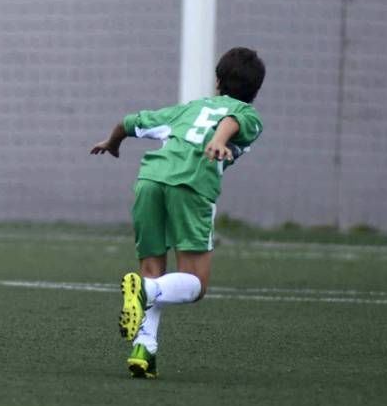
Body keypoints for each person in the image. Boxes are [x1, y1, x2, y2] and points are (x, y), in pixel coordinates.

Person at [91, 47, 265, 378]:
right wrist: (217, 139)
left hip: (150, 181)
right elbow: (232, 119)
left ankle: (144, 349)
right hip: (191, 185)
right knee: (195, 283)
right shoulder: (250, 116)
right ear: (256, 91)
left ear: (217, 81)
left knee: (153, 269)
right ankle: (145, 291)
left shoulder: (189, 109)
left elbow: (131, 122)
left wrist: (113, 143)